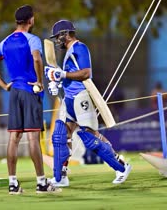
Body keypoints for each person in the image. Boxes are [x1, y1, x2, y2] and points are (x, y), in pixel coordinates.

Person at [44, 20, 132, 187]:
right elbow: (69, 75)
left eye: (58, 36)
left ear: (66, 34)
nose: (56, 40)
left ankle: (121, 166)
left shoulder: (80, 48)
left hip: (81, 98)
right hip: (69, 99)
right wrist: (57, 83)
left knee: (90, 137)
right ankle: (60, 177)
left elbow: (85, 73)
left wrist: (61, 75)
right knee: (60, 137)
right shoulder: (69, 51)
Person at [0, 5, 60, 194]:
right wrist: (40, 82)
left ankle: (12, 183)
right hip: (30, 90)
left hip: (15, 91)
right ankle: (42, 183)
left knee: (14, 137)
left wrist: (4, 85)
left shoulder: (6, 41)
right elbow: (36, 59)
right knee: (33, 136)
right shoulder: (32, 39)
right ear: (31, 20)